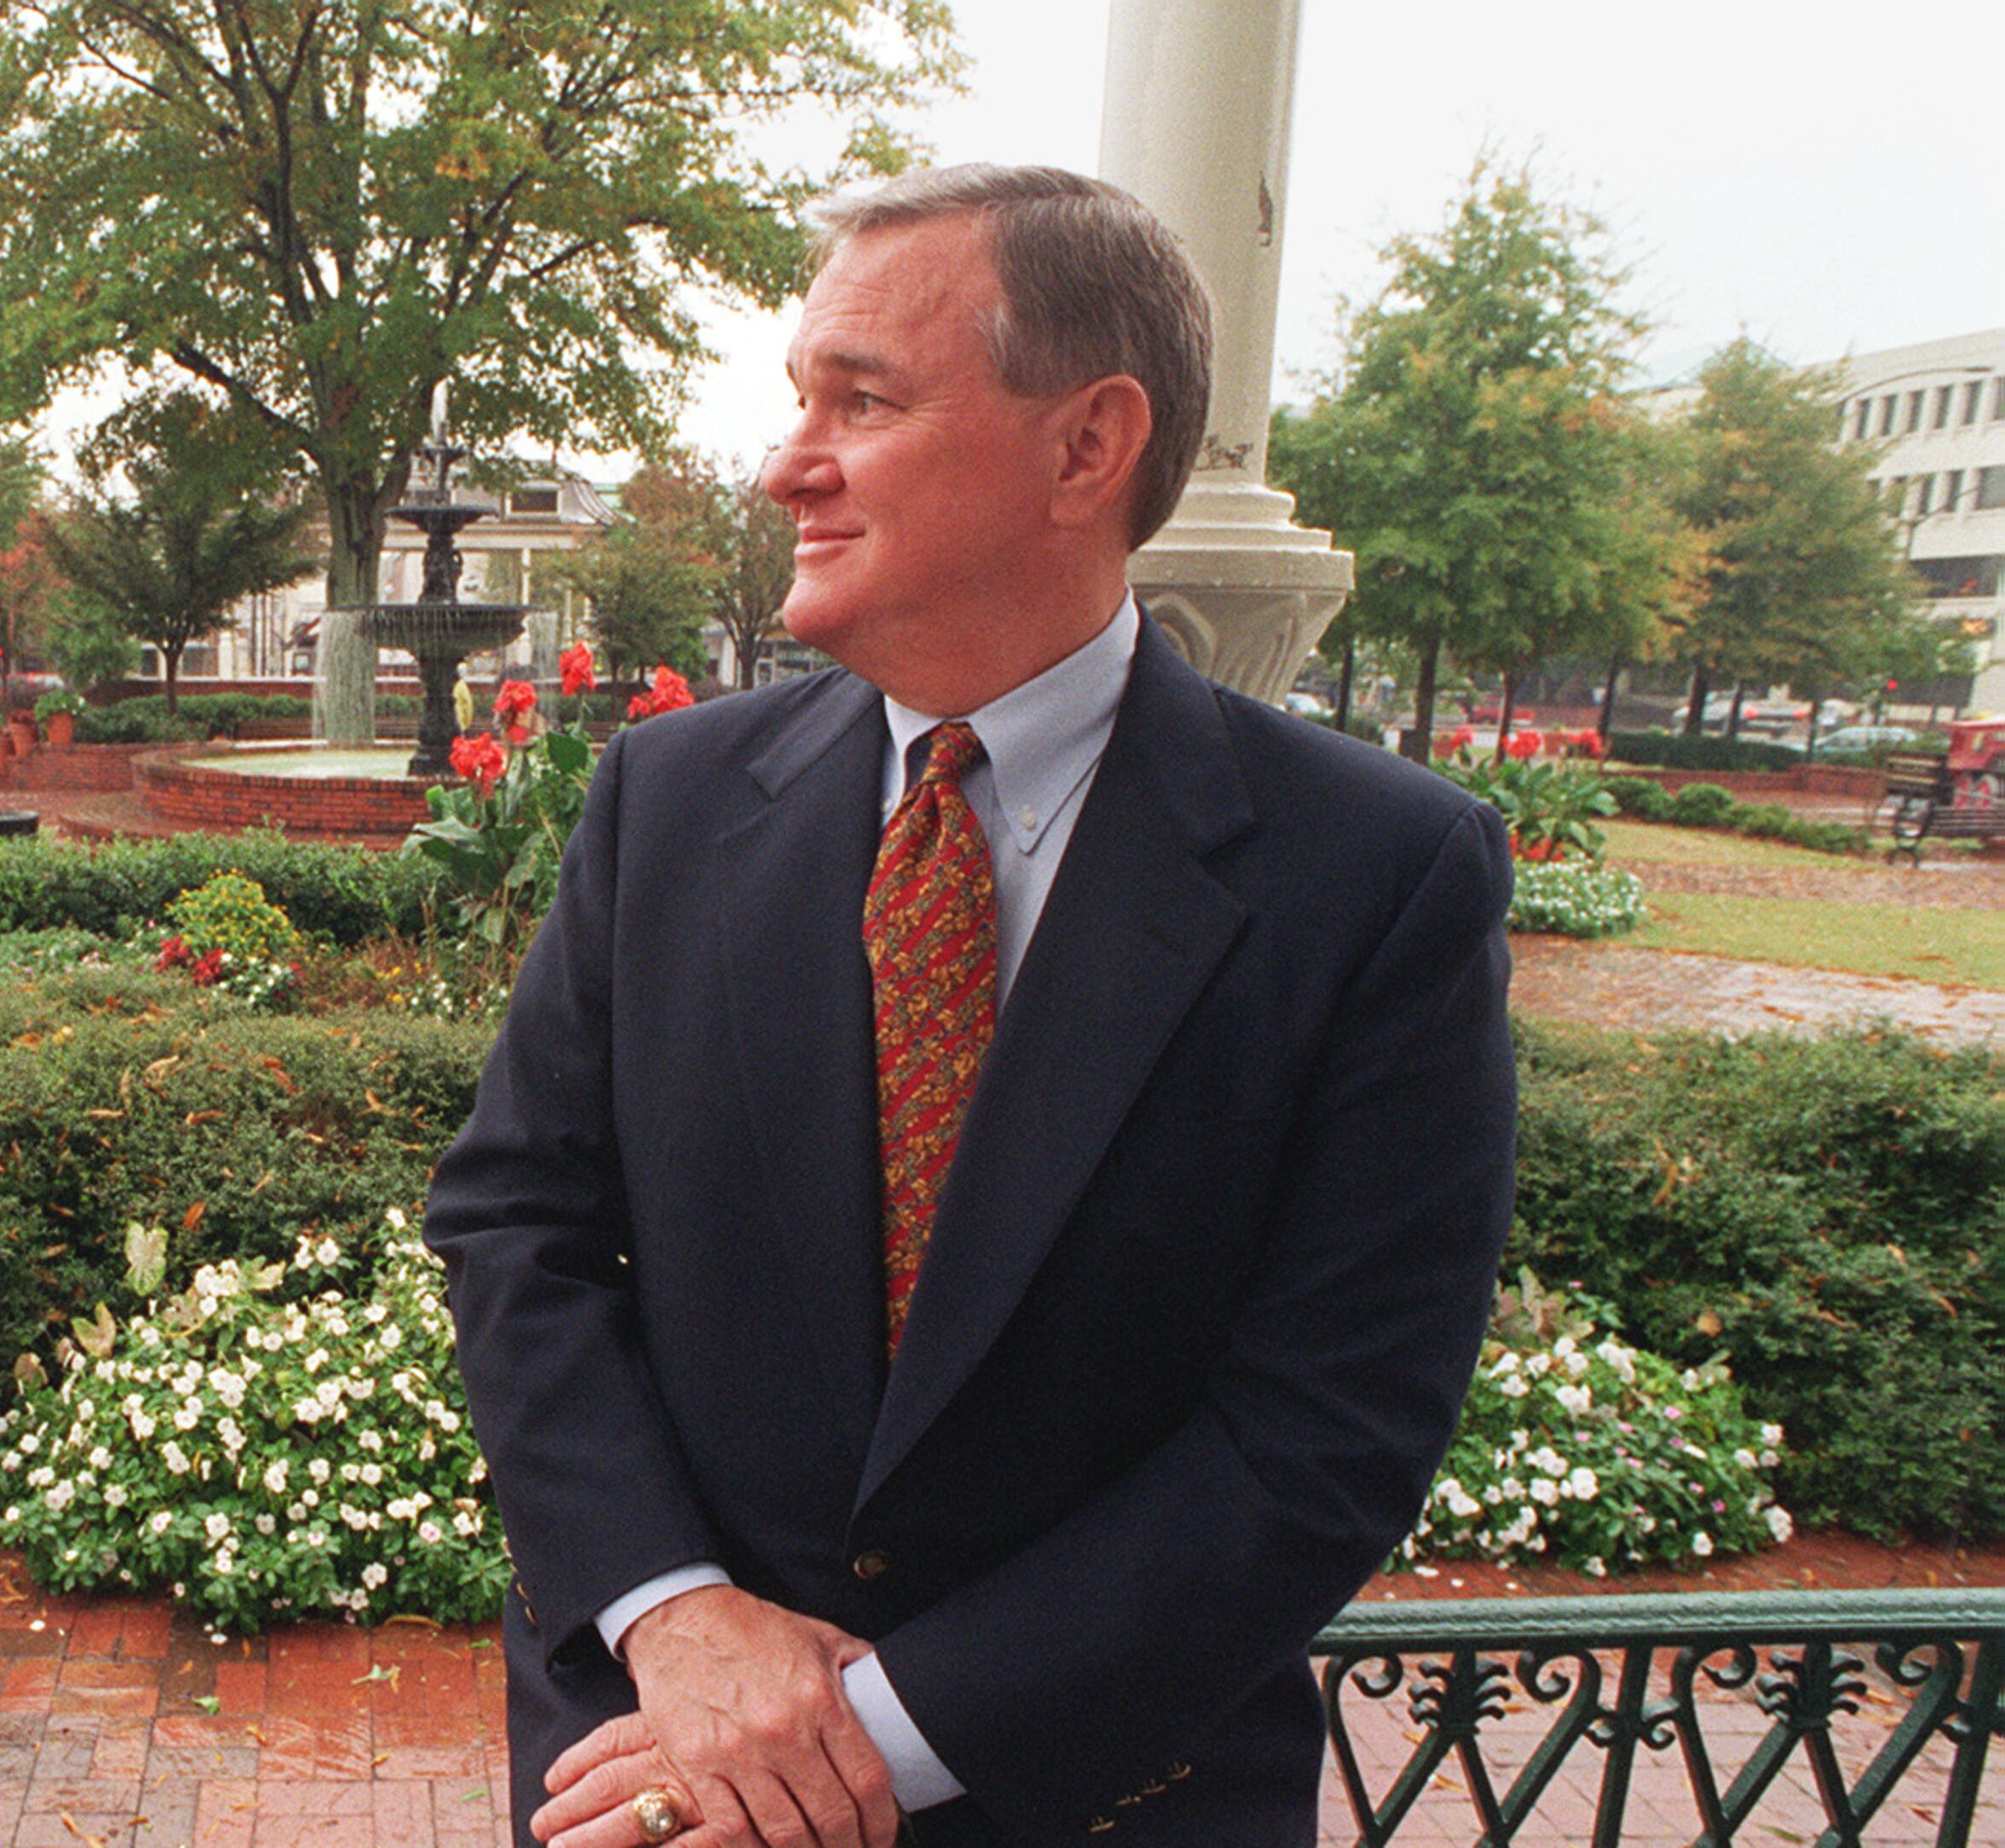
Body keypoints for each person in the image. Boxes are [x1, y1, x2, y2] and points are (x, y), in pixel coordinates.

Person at [423, 163, 1516, 1848]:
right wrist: (678, 1618)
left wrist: (864, 1738)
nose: (790, 463)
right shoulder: (667, 801)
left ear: (1088, 446)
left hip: (1104, 1795)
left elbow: (1327, 1425)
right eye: (801, 399)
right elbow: (517, 1228)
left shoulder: (1377, 874)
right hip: (654, 1771)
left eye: (862, 402)